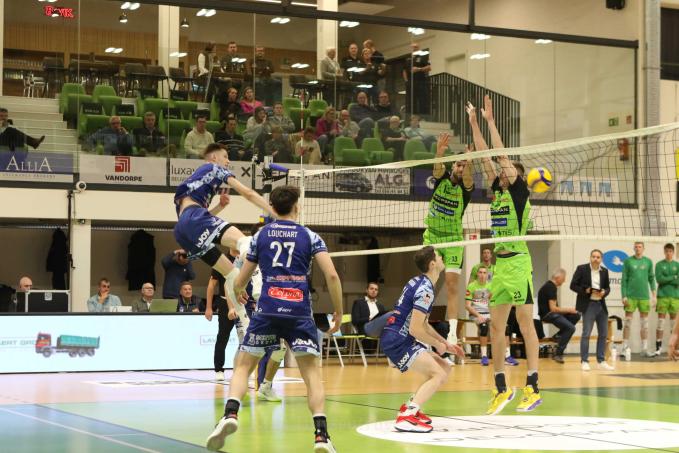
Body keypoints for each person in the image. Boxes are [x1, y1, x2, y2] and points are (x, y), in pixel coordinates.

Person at [206, 185, 343, 453]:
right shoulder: (310, 236)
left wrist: (238, 289)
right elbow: (332, 275)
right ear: (296, 207)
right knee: (311, 375)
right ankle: (321, 436)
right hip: (299, 311)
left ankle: (230, 413)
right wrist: (337, 310)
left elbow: (242, 276)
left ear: (272, 207)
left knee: (243, 366)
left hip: (267, 309)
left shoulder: (260, 236)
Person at [469, 95, 541, 414]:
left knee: (526, 326)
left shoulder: (518, 193)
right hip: (500, 266)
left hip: (519, 264)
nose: (501, 171)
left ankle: (532, 387)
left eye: (507, 170)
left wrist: (491, 121)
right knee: (496, 328)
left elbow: (499, 155)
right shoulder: (497, 192)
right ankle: (502, 388)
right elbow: (485, 156)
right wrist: (474, 123)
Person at [173, 143, 273, 342]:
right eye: (225, 156)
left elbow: (197, 221)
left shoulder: (194, 184)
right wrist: (274, 212)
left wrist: (219, 206)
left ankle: (245, 324)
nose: (228, 161)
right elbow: (248, 193)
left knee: (232, 274)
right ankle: (259, 287)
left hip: (183, 230)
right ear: (214, 158)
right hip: (194, 219)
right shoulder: (213, 168)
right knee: (246, 242)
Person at [380, 246, 464, 433]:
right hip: (398, 340)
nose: (442, 258)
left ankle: (411, 407)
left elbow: (424, 324)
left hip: (400, 337)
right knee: (438, 374)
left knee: (444, 367)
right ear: (433, 264)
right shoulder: (425, 289)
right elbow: (415, 329)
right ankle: (407, 416)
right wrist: (437, 345)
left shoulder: (419, 282)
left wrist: (446, 343)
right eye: (439, 256)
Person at [422, 132, 473, 352]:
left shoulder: (466, 188)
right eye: (459, 165)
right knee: (428, 284)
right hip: (433, 236)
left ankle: (452, 334)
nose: (461, 169)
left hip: (453, 241)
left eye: (464, 166)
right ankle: (421, 326)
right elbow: (437, 169)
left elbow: (468, 177)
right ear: (453, 165)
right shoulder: (442, 179)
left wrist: (470, 160)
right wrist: (439, 152)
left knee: (452, 286)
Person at [570, 249, 614, 370]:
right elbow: (573, 285)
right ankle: (584, 361)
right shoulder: (582, 269)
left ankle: (601, 361)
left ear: (601, 259)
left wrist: (604, 292)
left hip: (601, 304)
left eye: (598, 257)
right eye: (593, 256)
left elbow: (608, 288)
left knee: (603, 334)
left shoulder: (604, 271)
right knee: (586, 333)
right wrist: (585, 290)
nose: (595, 259)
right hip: (588, 304)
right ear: (590, 257)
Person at [621, 242, 656, 360]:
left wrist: (654, 295)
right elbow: (624, 279)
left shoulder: (648, 261)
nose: (637, 248)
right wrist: (624, 295)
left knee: (644, 324)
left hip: (644, 297)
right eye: (636, 247)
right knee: (627, 323)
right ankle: (624, 348)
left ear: (643, 248)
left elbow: (651, 279)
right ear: (633, 248)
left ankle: (644, 349)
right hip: (630, 296)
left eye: (640, 247)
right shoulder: (628, 261)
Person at [537, 269, 581, 364]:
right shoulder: (550, 287)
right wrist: (570, 309)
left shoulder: (550, 286)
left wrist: (572, 311)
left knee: (576, 315)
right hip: (547, 315)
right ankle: (558, 354)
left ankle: (559, 335)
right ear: (558, 277)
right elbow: (553, 309)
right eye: (563, 278)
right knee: (571, 328)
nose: (564, 281)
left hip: (552, 313)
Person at [205, 267, 241, 381]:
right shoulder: (221, 261)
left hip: (242, 302)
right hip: (224, 302)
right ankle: (219, 369)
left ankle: (243, 369)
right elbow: (211, 285)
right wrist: (209, 307)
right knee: (222, 336)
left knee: (246, 337)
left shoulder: (246, 260)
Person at [654, 243, 679, 357]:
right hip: (662, 296)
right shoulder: (659, 265)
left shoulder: (677, 265)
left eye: (670, 251)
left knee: (675, 324)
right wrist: (673, 277)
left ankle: (675, 348)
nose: (668, 253)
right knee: (661, 322)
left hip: (675, 297)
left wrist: (667, 279)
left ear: (673, 252)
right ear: (664, 252)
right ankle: (658, 348)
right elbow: (659, 279)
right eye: (667, 251)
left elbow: (678, 281)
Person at [465, 266, 492, 366]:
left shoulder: (491, 286)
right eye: (480, 272)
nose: (482, 275)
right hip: (475, 313)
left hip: (488, 313)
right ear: (477, 274)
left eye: (484, 273)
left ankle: (507, 356)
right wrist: (479, 315)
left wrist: (493, 315)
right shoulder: (471, 286)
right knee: (484, 327)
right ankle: (484, 356)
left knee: (505, 327)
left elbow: (493, 303)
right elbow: (467, 306)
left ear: (487, 275)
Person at [403, 42, 431, 117]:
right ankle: (411, 117)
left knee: (422, 100)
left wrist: (419, 69)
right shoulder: (408, 59)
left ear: (418, 48)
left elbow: (429, 68)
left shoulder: (423, 57)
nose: (414, 48)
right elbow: (404, 70)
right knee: (411, 101)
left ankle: (423, 116)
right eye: (413, 47)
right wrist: (406, 81)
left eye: (416, 47)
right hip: (411, 83)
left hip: (421, 82)